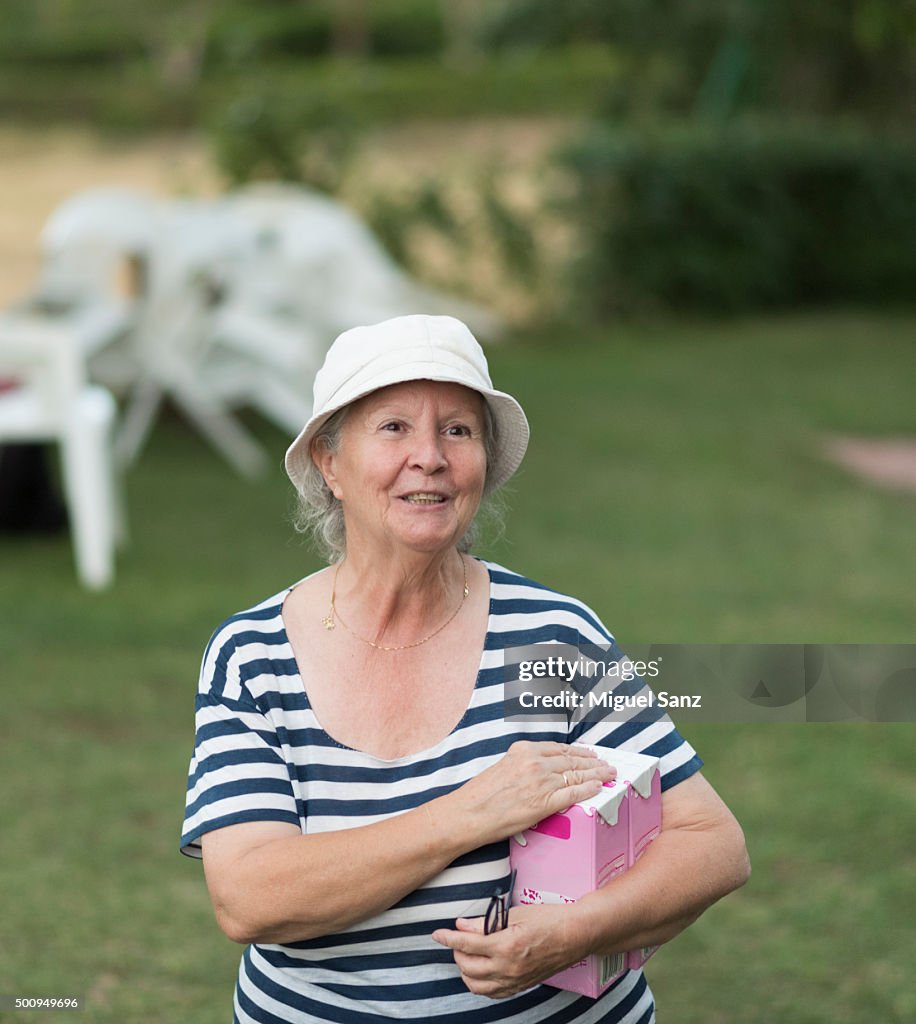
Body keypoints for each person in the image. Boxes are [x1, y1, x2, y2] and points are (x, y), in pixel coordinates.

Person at [181, 314, 750, 1023]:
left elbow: (712, 845)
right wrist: (469, 813)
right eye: (393, 428)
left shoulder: (543, 639)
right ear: (330, 463)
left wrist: (569, 936)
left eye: (458, 430)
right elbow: (250, 897)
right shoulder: (257, 654)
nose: (431, 457)